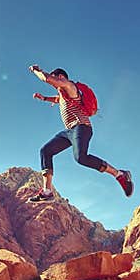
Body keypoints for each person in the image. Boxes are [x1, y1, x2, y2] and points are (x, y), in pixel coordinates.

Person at [27, 64, 133, 202]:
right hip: (69, 131)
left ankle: (119, 174)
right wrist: (45, 98)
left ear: (60, 77)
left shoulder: (69, 85)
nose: (54, 82)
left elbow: (47, 79)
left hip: (82, 127)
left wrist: (37, 71)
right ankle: (47, 192)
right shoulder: (63, 93)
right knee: (45, 151)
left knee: (81, 158)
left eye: (55, 78)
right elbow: (58, 99)